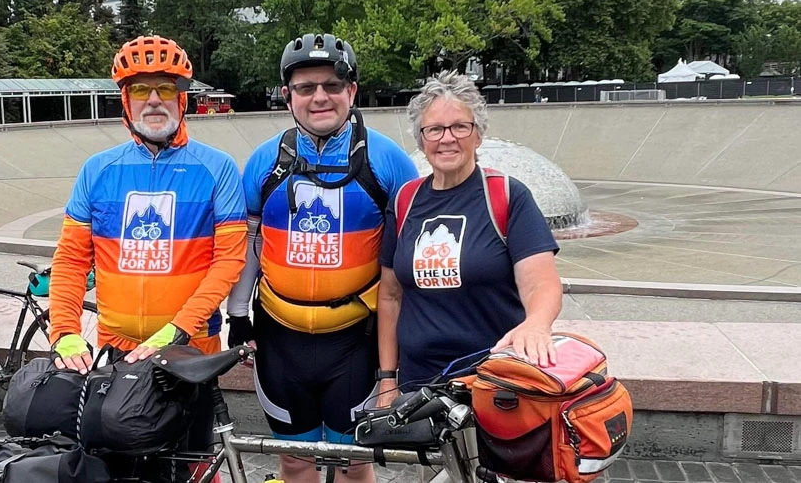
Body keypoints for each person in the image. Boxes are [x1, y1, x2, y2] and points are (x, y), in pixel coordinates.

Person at [49, 35, 246, 481]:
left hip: (190, 354)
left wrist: (178, 329)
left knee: (192, 467)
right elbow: (71, 260)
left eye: (166, 88)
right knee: (119, 469)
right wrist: (64, 332)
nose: (154, 100)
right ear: (126, 100)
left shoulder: (217, 168)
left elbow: (228, 261)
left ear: (182, 98)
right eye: (140, 89)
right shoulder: (97, 170)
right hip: (117, 353)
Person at [226, 33, 419, 483]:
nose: (319, 97)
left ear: (352, 90)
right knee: (295, 460)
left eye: (332, 85)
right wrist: (237, 314)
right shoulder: (264, 160)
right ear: (287, 95)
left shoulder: (388, 160)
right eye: (305, 87)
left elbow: (408, 258)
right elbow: (249, 243)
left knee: (354, 462)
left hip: (355, 340)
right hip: (280, 339)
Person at [377, 70, 562, 405]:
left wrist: (537, 323)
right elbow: (390, 296)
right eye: (434, 129)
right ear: (421, 140)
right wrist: (388, 378)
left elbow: (541, 284)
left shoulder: (508, 197)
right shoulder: (404, 201)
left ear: (478, 135)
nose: (447, 138)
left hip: (494, 383)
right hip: (418, 388)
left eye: (460, 127)